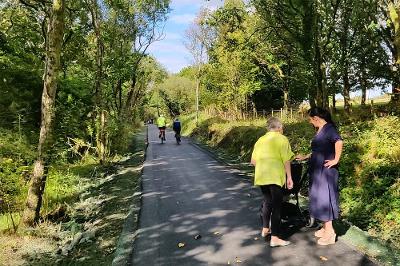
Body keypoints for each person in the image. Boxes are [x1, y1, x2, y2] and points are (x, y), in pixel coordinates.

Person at [296, 107, 343, 246]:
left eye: (311, 119)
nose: (310, 122)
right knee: (318, 197)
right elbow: (318, 150)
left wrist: (336, 159)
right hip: (317, 170)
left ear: (316, 118)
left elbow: (339, 141)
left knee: (325, 198)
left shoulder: (329, 129)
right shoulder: (321, 130)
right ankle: (324, 228)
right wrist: (305, 156)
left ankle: (330, 233)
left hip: (326, 171)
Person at [251, 117, 294, 247]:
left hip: (262, 176)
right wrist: (289, 177)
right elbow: (287, 160)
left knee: (267, 202)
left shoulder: (260, 140)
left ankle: (265, 229)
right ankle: (275, 238)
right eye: (282, 128)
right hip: (275, 176)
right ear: (279, 128)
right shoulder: (282, 139)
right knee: (277, 207)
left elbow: (253, 162)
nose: (283, 130)